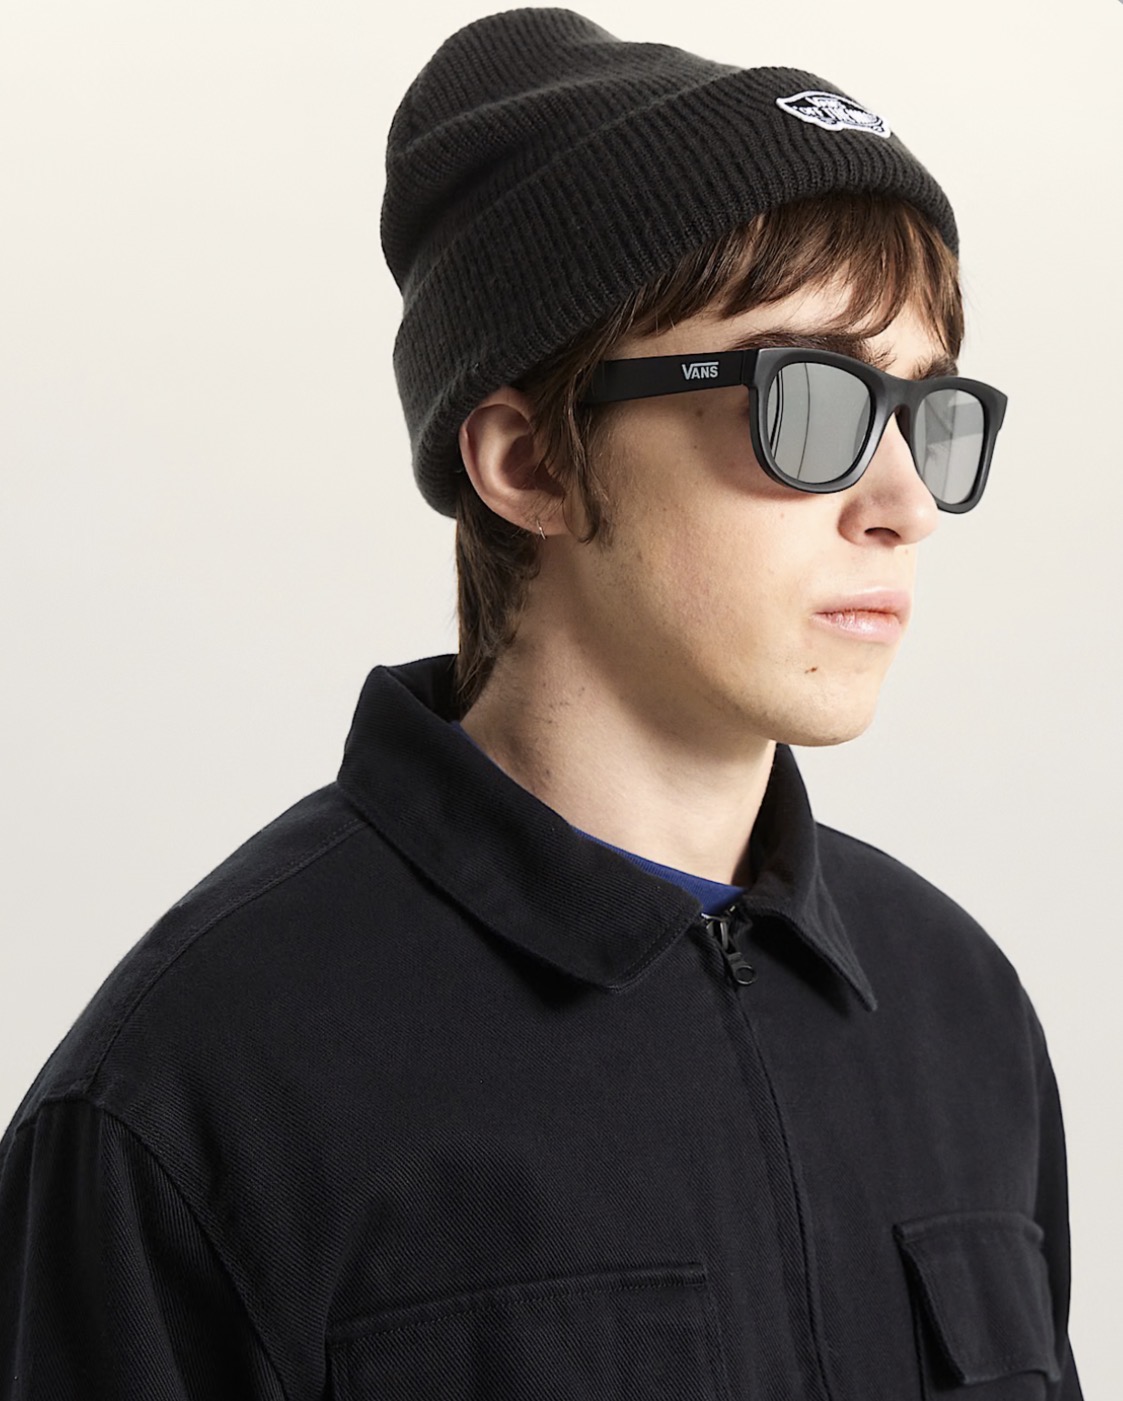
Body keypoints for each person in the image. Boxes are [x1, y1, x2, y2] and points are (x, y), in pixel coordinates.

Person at [0, 8, 1081, 1398]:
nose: (905, 503)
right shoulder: (196, 1093)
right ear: (531, 461)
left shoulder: (960, 1014)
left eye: (929, 411)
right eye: (810, 402)